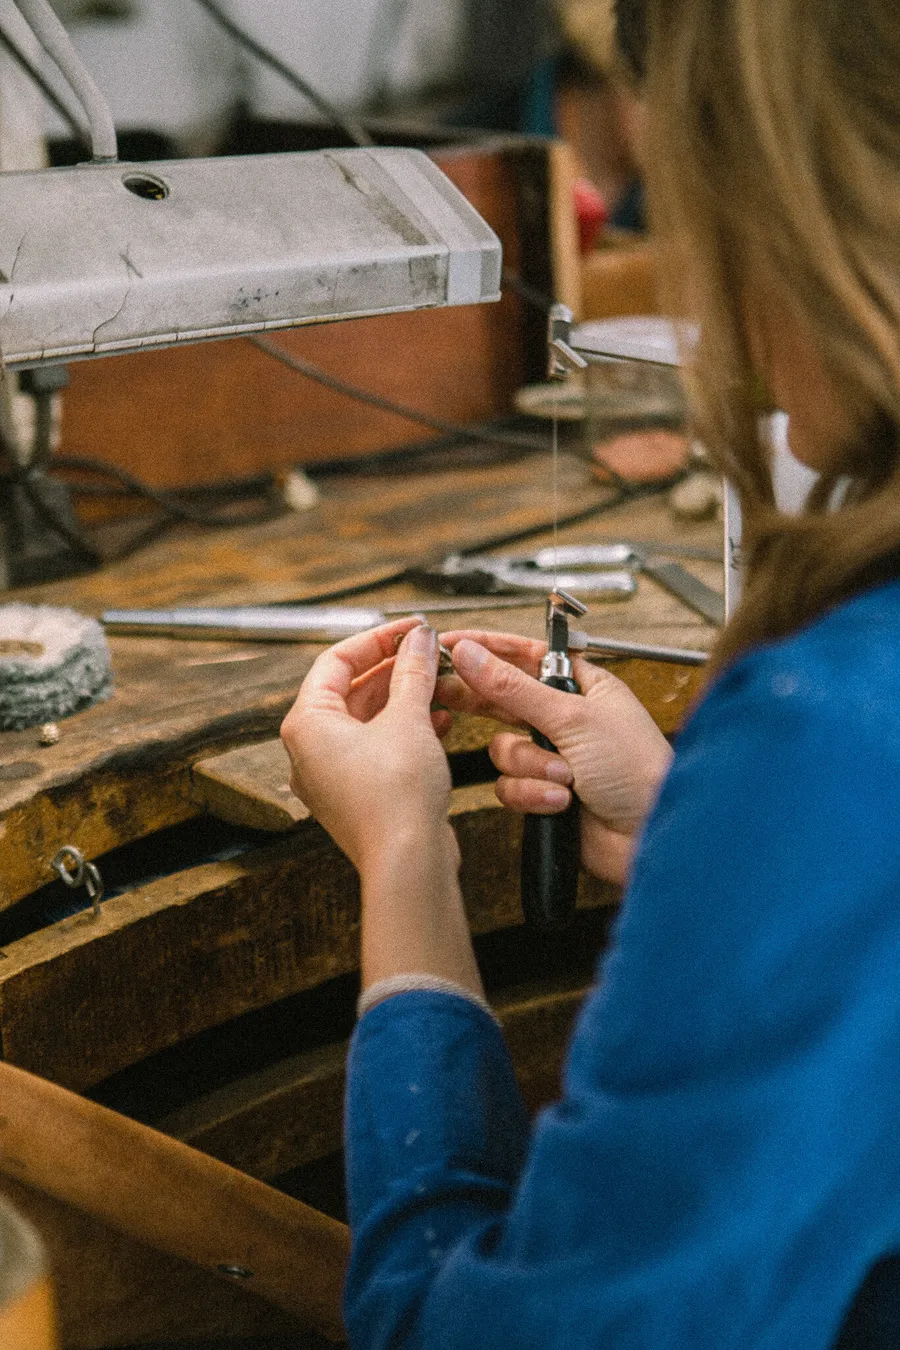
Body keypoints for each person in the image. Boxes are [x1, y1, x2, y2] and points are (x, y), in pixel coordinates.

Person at [280, 0, 900, 1344]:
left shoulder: (828, 736)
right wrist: (700, 836)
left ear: (822, 209)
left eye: (708, 218)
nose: (713, 305)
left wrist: (406, 862)